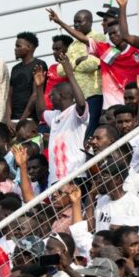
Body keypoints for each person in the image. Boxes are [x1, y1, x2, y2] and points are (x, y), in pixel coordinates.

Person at [49, 8, 139, 111]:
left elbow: (92, 63)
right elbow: (82, 40)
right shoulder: (106, 51)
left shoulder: (134, 50)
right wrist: (59, 22)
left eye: (115, 32)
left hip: (130, 102)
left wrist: (123, 5)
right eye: (110, 34)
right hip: (109, 108)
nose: (112, 36)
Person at [48, 9, 106, 138]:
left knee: (90, 132)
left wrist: (70, 65)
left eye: (80, 21)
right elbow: (61, 70)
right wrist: (78, 61)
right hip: (77, 98)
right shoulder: (73, 45)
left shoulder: (98, 37)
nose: (76, 25)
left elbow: (93, 64)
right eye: (74, 22)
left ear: (90, 22)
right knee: (78, 135)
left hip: (93, 94)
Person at [34, 52, 88, 185]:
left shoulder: (76, 112)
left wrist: (69, 73)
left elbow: (81, 103)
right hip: (56, 179)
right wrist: (39, 87)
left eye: (52, 95)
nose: (49, 98)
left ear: (62, 95)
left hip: (75, 175)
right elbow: (41, 112)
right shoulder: (55, 115)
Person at [6, 32, 48, 126]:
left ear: (29, 47)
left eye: (18, 46)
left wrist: (22, 120)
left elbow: (35, 94)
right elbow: (9, 96)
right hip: (13, 120)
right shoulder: (15, 68)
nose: (15, 49)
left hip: (30, 119)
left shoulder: (39, 65)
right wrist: (8, 119)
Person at [44, 35, 74, 113]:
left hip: (62, 111)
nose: (54, 52)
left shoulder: (73, 67)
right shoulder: (52, 67)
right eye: (53, 49)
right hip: (46, 112)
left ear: (68, 49)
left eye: (57, 49)